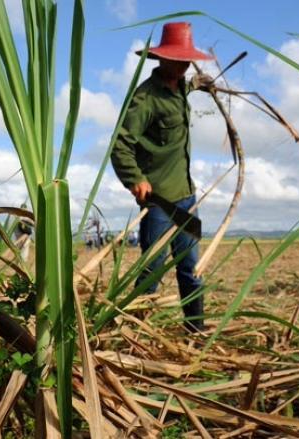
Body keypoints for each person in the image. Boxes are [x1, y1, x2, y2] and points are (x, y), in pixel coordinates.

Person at [110, 22, 214, 332]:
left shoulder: (181, 84)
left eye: (186, 60)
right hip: (158, 201)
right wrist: (135, 179)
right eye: (177, 59)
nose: (182, 65)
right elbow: (120, 145)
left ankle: (195, 328)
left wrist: (199, 83)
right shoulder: (145, 99)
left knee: (190, 267)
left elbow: (187, 84)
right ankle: (134, 330)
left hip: (186, 195)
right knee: (153, 268)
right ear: (161, 58)